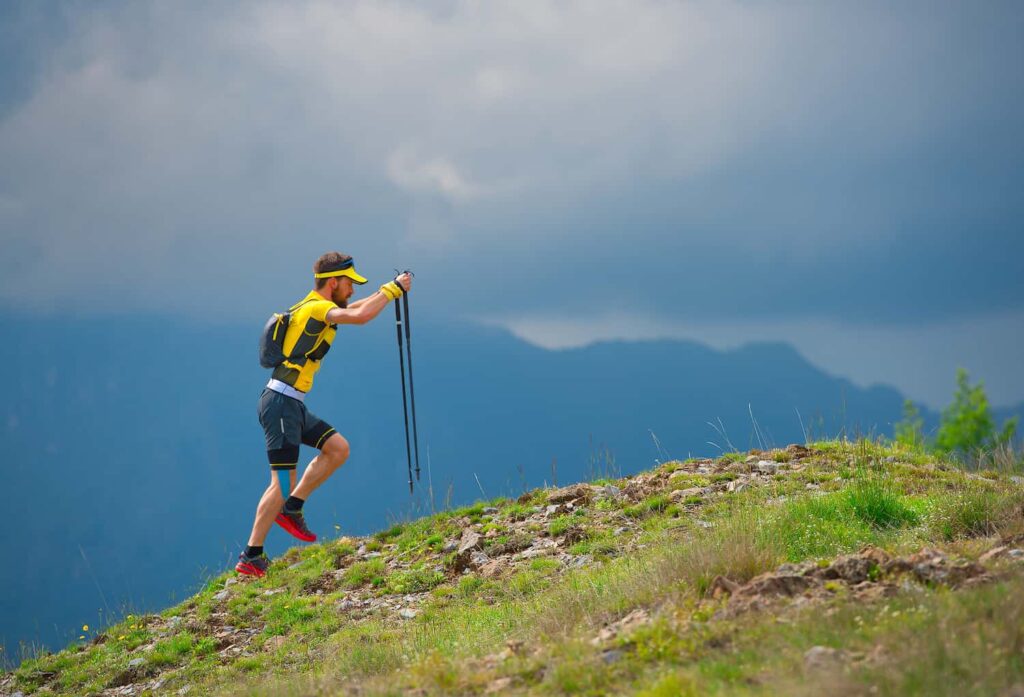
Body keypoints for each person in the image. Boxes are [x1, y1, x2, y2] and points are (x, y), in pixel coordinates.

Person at [235, 251, 412, 577]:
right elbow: (361, 317)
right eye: (349, 284)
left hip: (291, 403)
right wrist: (393, 292)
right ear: (334, 283)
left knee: (337, 449)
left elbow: (356, 309)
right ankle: (252, 554)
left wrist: (391, 287)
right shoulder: (317, 308)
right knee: (281, 482)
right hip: (280, 403)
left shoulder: (317, 307)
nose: (353, 290)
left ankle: (292, 509)